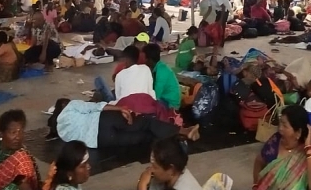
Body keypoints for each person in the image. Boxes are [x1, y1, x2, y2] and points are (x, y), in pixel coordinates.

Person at [49, 98, 199, 148]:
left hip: (101, 141)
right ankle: (184, 132)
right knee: (146, 122)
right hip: (103, 120)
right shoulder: (69, 107)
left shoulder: (62, 133)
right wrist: (120, 108)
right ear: (63, 105)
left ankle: (177, 140)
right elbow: (93, 106)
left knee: (143, 137)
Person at [252, 105, 311, 190]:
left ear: (298, 132)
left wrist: (308, 149)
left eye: (285, 126)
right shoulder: (275, 141)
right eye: (280, 123)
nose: (280, 128)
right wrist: (256, 185)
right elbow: (259, 161)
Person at [137, 136, 202, 190]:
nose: (150, 169)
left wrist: (142, 185)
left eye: (155, 167)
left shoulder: (185, 187)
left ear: (171, 169)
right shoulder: (166, 176)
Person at [143, 43, 181, 110]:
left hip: (170, 103)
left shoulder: (161, 71)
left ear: (149, 59)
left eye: (144, 58)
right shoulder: (157, 67)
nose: (143, 61)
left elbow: (157, 95)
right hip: (164, 98)